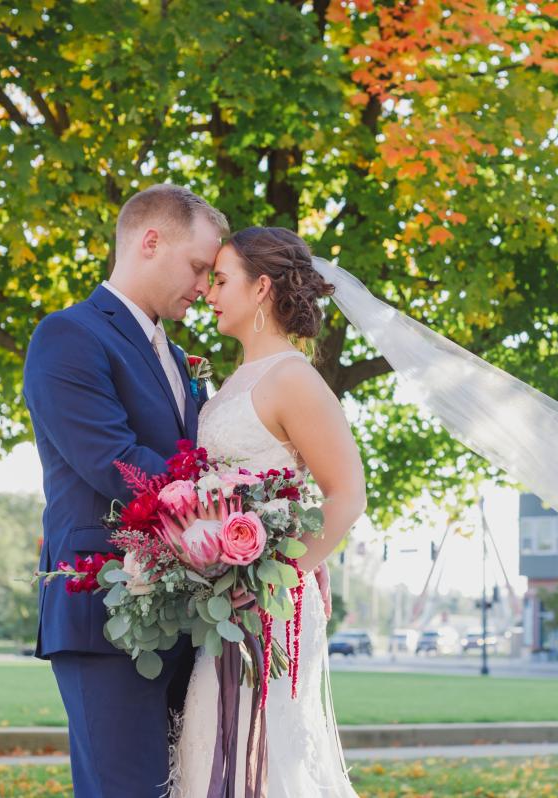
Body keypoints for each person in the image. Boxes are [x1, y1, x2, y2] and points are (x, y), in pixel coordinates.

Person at [24, 184, 228, 797]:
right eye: (198, 267)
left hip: (188, 615)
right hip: (104, 612)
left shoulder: (180, 356)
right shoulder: (68, 335)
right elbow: (114, 461)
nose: (205, 287)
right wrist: (233, 508)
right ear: (150, 242)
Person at [173, 227, 365, 797]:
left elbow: (347, 494)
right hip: (225, 605)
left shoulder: (293, 378)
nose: (208, 293)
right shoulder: (236, 380)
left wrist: (282, 572)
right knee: (211, 741)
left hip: (270, 606)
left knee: (262, 756)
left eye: (221, 280)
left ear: (260, 288)